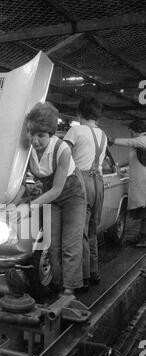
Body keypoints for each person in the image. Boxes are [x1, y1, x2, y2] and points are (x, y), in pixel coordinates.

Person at [26, 102, 86, 296]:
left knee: (70, 243)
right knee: (52, 245)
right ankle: (57, 285)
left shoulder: (62, 150)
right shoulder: (25, 151)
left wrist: (30, 206)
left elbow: (58, 188)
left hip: (72, 194)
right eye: (31, 133)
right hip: (50, 196)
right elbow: (21, 182)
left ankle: (70, 289)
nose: (35, 140)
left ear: (51, 134)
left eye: (41, 135)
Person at [63, 97, 107, 290]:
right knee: (92, 231)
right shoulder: (103, 134)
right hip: (98, 183)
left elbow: (63, 157)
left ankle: (83, 277)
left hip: (81, 182)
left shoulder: (76, 130)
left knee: (79, 233)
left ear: (80, 112)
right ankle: (95, 272)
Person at [109, 119, 146, 247]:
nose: (131, 135)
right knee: (143, 212)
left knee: (145, 212)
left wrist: (113, 140)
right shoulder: (138, 144)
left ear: (138, 131)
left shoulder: (143, 140)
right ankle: (141, 237)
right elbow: (132, 159)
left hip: (144, 184)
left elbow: (131, 141)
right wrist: (118, 165)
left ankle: (144, 239)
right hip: (140, 184)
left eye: (132, 133)